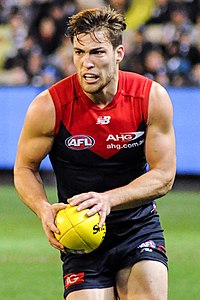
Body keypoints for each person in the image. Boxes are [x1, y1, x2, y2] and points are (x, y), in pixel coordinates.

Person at [14, 6, 176, 300]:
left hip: (136, 227)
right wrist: (43, 209)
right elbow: (25, 168)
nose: (86, 63)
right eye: (79, 52)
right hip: (79, 235)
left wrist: (107, 200)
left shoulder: (150, 97)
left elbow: (164, 176)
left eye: (97, 53)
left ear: (119, 53)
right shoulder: (48, 106)